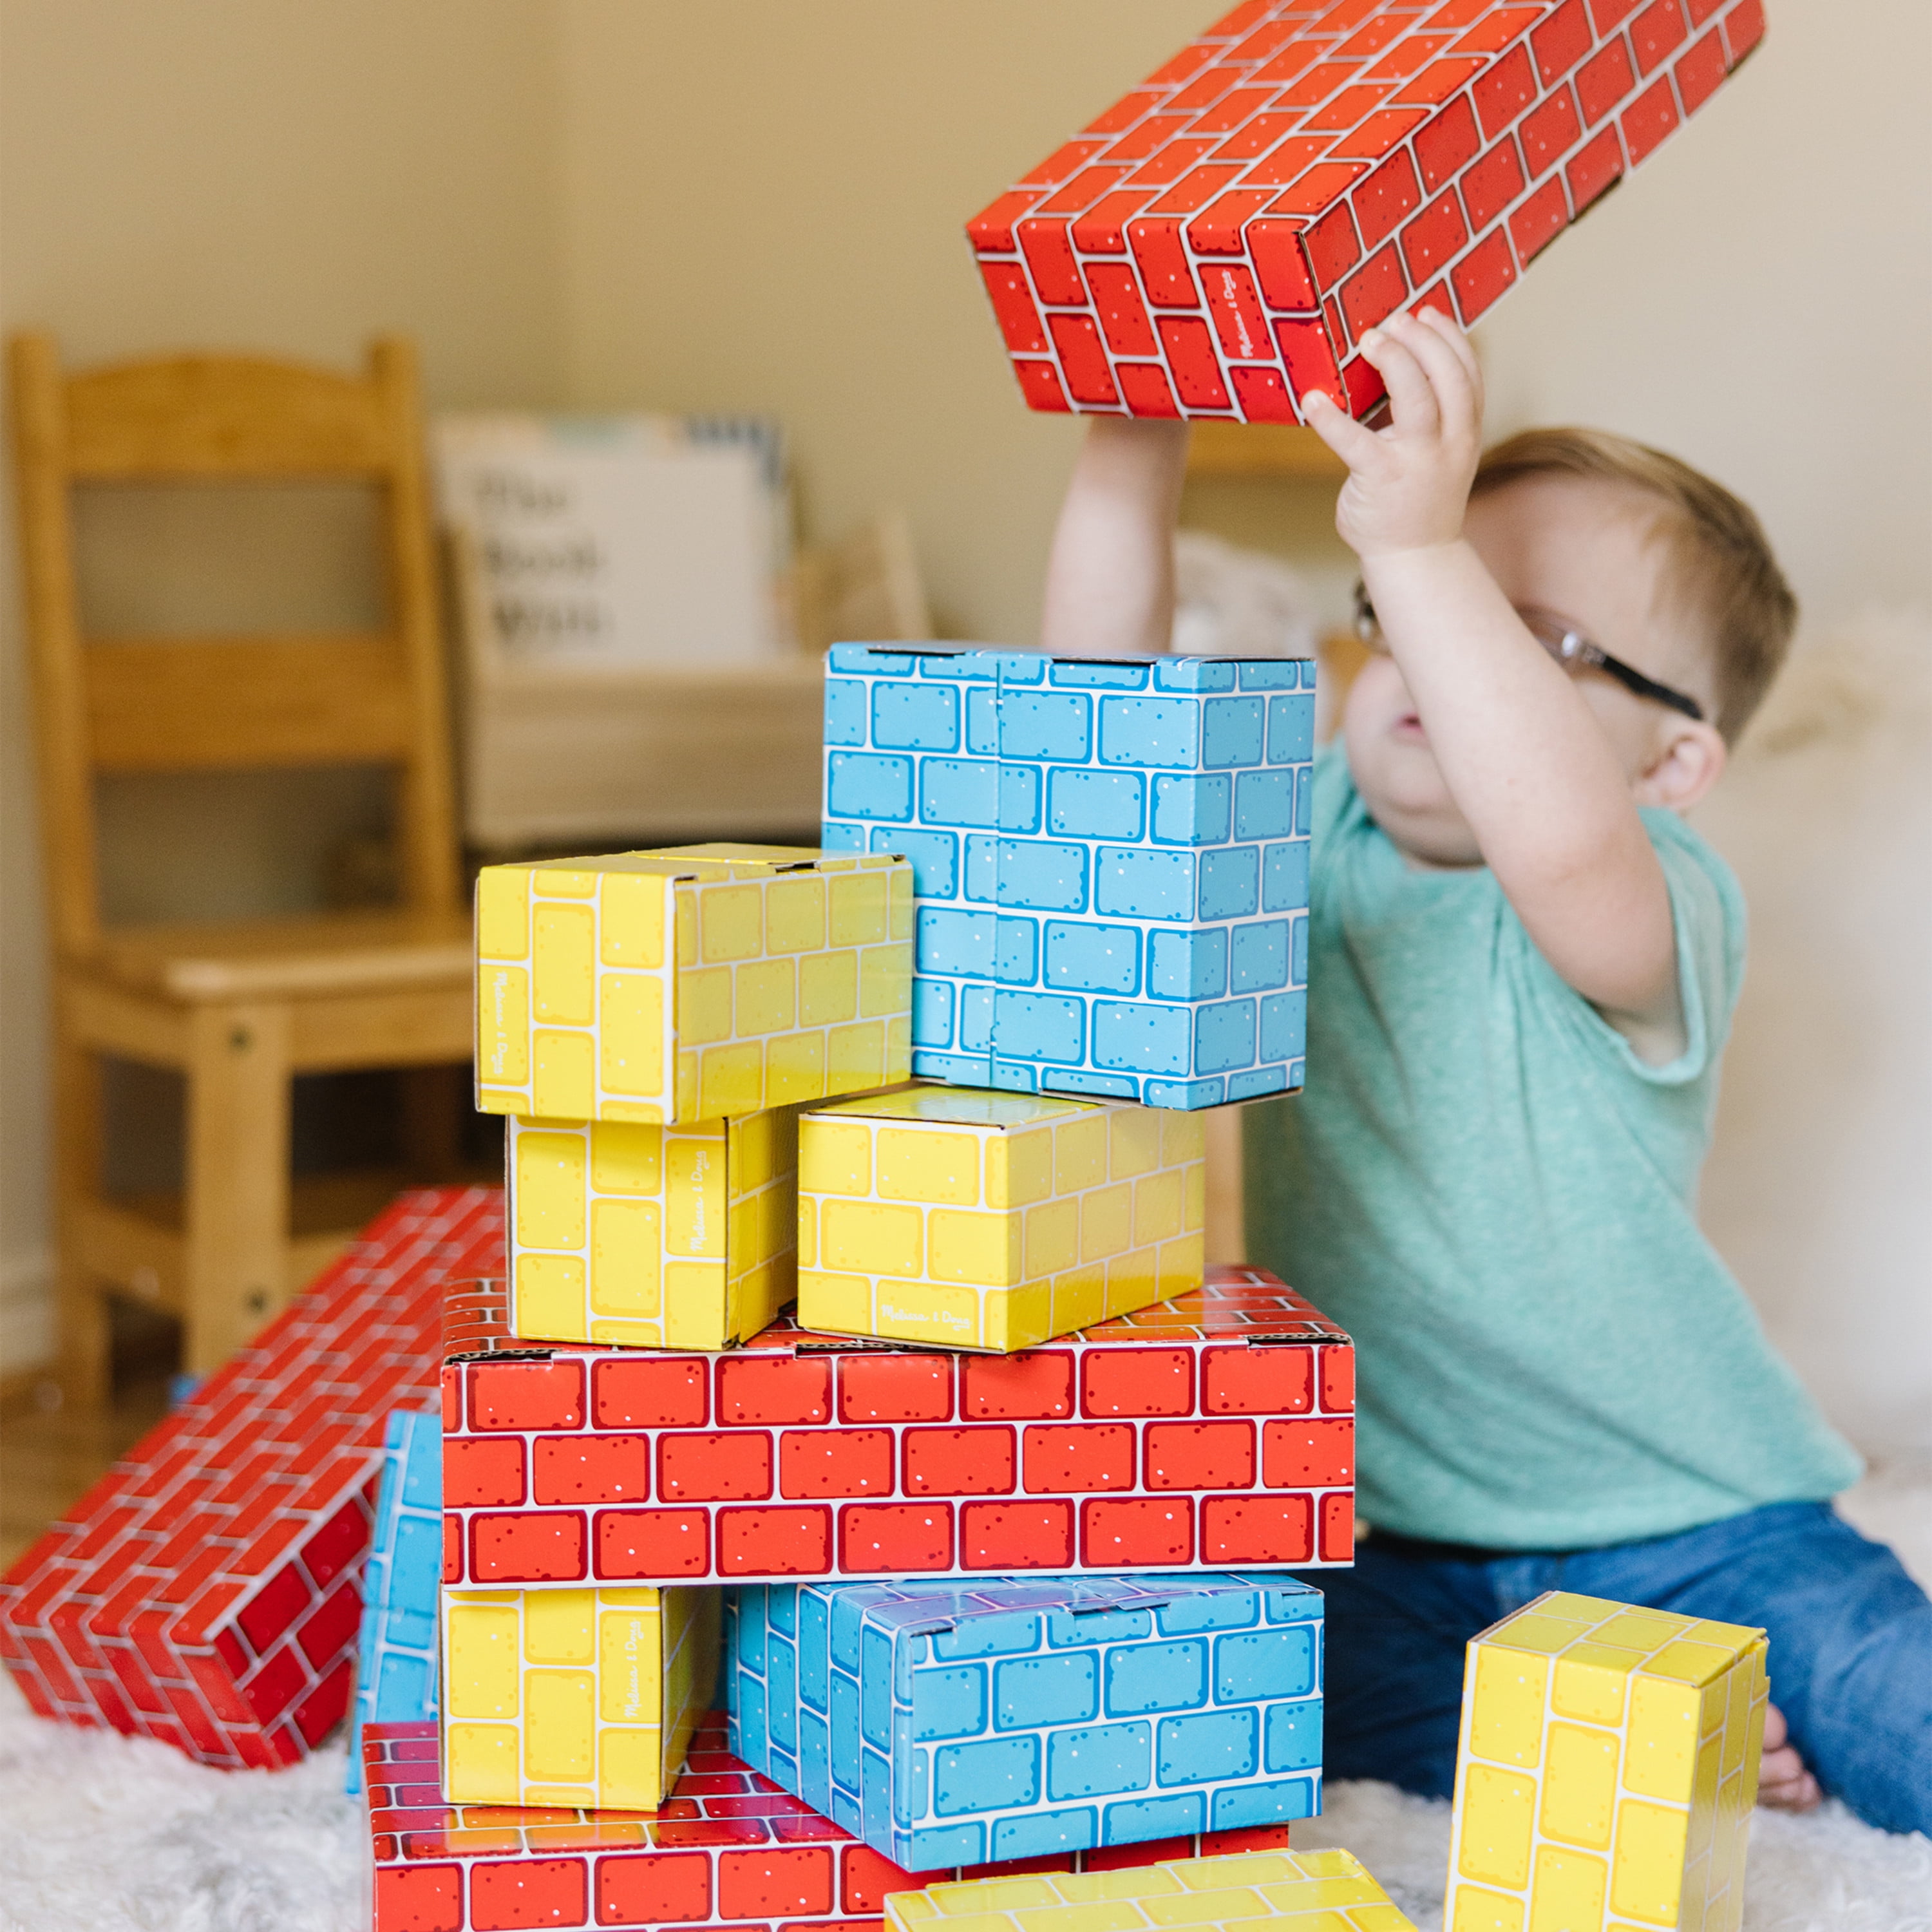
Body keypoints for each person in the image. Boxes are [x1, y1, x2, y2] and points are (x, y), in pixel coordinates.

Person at [1038, 306, 1931, 1835]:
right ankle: (1629, 1732)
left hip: (1696, 1528)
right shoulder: (1305, 838)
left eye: (1526, 633)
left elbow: (1559, 835)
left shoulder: (1653, 890)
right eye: (1397, 606)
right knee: (1216, 1689)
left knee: (1884, 1689)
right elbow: (1092, 732)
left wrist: (1427, 550)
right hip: (1390, 1537)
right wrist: (1135, 437)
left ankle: (1657, 1707)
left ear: (1675, 765)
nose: (1426, 646)